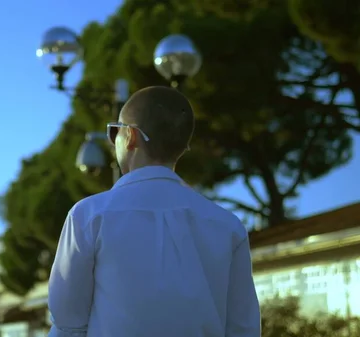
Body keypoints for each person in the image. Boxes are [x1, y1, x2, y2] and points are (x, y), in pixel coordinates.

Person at [48, 86, 261, 337]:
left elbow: (67, 322)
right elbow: (243, 328)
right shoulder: (227, 226)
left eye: (114, 131)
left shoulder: (89, 215)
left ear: (131, 136)